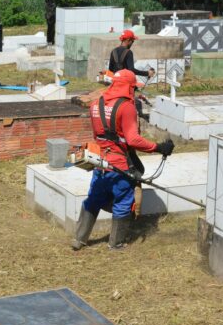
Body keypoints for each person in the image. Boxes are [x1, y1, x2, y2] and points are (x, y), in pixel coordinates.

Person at [72, 69, 175, 250]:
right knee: (123, 201)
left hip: (99, 162)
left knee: (93, 199)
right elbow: (133, 140)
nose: (133, 92)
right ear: (128, 87)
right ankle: (116, 243)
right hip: (119, 165)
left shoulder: (96, 104)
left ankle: (79, 238)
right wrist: (158, 147)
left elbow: (98, 135)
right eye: (133, 88)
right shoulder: (126, 106)